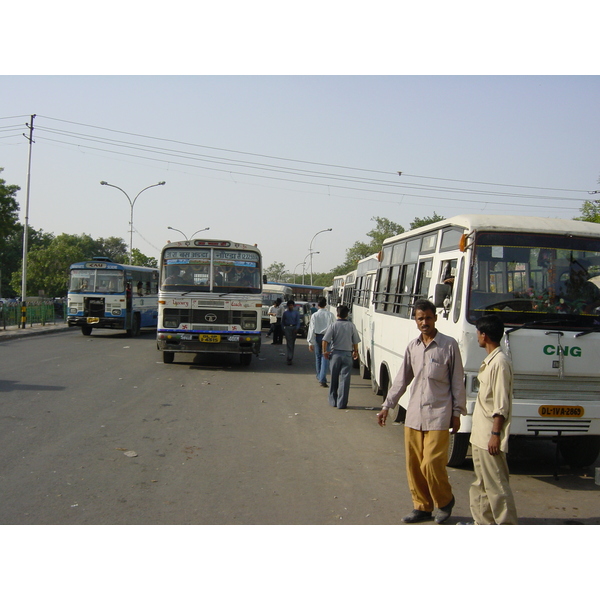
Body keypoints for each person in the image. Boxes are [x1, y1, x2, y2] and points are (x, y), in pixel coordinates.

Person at [377, 298, 466, 525]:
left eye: (428, 317)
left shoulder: (449, 345)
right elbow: (401, 379)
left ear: (435, 317)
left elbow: (457, 381)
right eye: (420, 318)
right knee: (414, 465)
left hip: (439, 414)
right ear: (415, 320)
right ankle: (422, 507)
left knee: (432, 463)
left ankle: (445, 502)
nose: (424, 322)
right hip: (414, 414)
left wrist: (457, 412)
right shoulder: (412, 347)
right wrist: (388, 405)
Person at [468, 314, 518, 525]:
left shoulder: (499, 363)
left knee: (497, 487)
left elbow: (500, 405)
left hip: (490, 435)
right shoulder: (490, 361)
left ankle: (506, 525)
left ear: (484, 335)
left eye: (478, 332)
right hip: (479, 435)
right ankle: (483, 523)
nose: (477, 336)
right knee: (480, 486)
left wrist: (495, 435)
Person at [322, 305, 360, 408]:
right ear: (347, 315)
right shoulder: (351, 326)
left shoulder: (333, 325)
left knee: (334, 378)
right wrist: (355, 352)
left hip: (335, 355)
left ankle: (333, 401)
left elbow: (325, 340)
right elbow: (355, 341)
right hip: (347, 354)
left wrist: (325, 351)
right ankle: (342, 403)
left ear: (337, 314)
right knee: (345, 379)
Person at [307, 297, 335, 387]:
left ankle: (319, 376)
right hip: (327, 338)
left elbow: (311, 329)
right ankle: (322, 378)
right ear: (325, 304)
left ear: (318, 305)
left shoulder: (314, 315)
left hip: (318, 337)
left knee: (318, 357)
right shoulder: (330, 315)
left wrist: (310, 342)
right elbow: (334, 328)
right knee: (325, 357)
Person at [281, 300, 300, 365]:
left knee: (292, 343)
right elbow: (282, 322)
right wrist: (283, 329)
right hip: (287, 328)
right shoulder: (285, 313)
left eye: (291, 305)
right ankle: (290, 357)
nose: (290, 307)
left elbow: (298, 322)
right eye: (289, 305)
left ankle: (290, 356)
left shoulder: (296, 313)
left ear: (293, 306)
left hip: (294, 328)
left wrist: (297, 328)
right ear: (288, 306)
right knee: (289, 342)